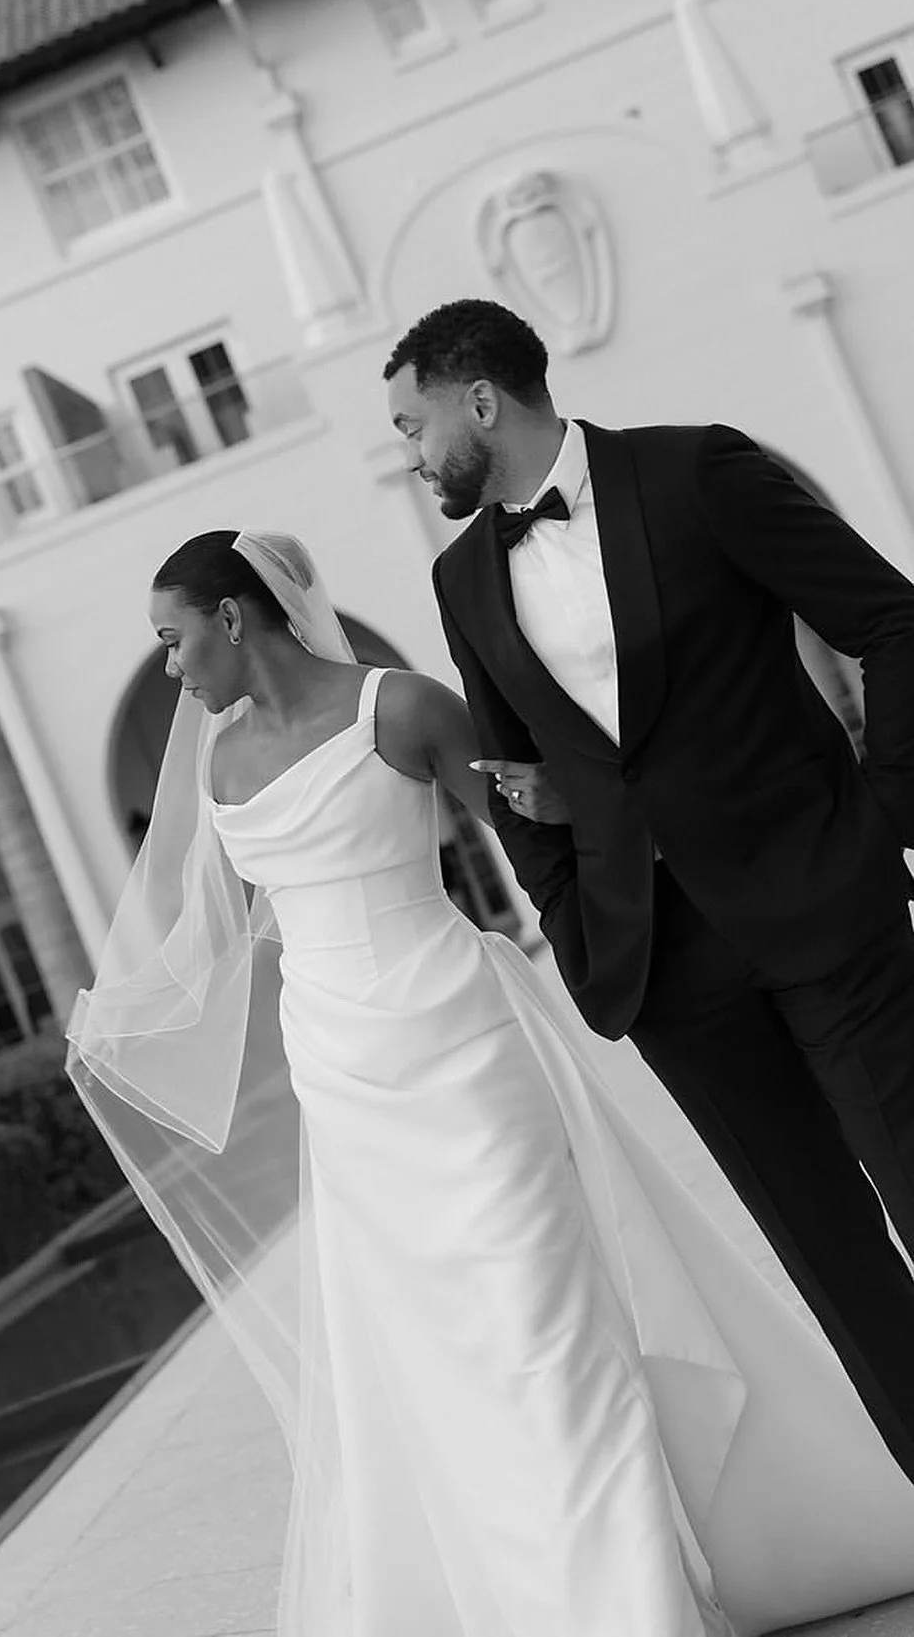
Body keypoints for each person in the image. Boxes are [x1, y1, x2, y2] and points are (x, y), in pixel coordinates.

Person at [68, 529, 914, 1637]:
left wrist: (613, 899)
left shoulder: (404, 709)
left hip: (458, 1036)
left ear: (233, 617)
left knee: (543, 1313)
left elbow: (541, 834)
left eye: (173, 638)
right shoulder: (219, 763)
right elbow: (215, 931)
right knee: (430, 1344)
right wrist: (122, 1022)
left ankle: (635, 1606)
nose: (169, 668)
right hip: (338, 1064)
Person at [384, 296, 914, 1488]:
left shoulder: (695, 471)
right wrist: (572, 925)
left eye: (414, 427)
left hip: (823, 903)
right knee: (831, 1261)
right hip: (667, 965)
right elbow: (512, 777)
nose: (411, 459)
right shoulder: (462, 578)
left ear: (482, 401)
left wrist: (884, 816)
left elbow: (890, 618)